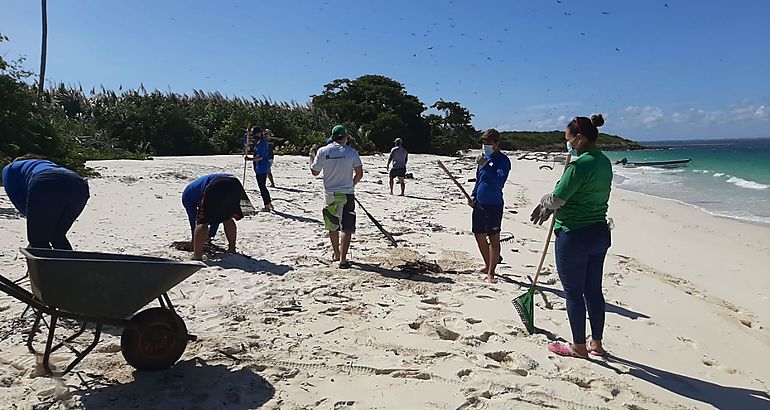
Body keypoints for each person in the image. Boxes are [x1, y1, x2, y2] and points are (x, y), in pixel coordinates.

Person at [530, 114, 612, 359]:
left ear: (579, 138)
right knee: (594, 291)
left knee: (574, 292)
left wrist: (546, 202)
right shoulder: (604, 162)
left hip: (574, 234)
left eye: (567, 139)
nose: (566, 143)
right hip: (599, 232)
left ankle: (578, 346)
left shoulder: (578, 165)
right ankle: (596, 343)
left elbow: (557, 199)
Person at [2, 155, 90, 250]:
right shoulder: (46, 164)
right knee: (57, 236)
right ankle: (68, 264)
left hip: (46, 181)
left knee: (38, 240)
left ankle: (43, 264)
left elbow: (16, 197)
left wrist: (34, 217)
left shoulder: (10, 168)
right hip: (79, 184)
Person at [310, 125, 363, 269]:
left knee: (332, 225)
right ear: (345, 137)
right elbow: (359, 173)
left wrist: (311, 158)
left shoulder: (323, 151)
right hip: (346, 193)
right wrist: (351, 185)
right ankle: (343, 259)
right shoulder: (351, 152)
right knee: (347, 226)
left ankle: (337, 254)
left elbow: (315, 172)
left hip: (330, 194)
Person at [469, 129, 511, 284]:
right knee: (478, 234)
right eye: (484, 142)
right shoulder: (483, 158)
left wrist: (488, 165)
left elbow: (499, 180)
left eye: (488, 142)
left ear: (497, 143)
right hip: (479, 202)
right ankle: (488, 264)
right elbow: (479, 179)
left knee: (493, 238)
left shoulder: (502, 160)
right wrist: (473, 195)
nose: (485, 145)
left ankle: (492, 273)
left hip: (493, 204)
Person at [182, 173, 245, 260]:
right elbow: (217, 215)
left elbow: (195, 220)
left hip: (216, 184)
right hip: (234, 183)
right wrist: (210, 235)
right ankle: (232, 249)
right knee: (227, 217)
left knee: (202, 221)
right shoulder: (193, 190)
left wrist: (195, 241)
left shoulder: (187, 198)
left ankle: (197, 255)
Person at [244, 127, 273, 211]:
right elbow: (247, 141)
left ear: (260, 133)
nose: (255, 136)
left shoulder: (263, 143)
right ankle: (269, 203)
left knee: (262, 187)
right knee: (262, 186)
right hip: (258, 168)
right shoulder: (258, 142)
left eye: (256, 134)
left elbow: (260, 157)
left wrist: (249, 159)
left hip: (262, 168)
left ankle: (267, 205)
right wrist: (247, 133)